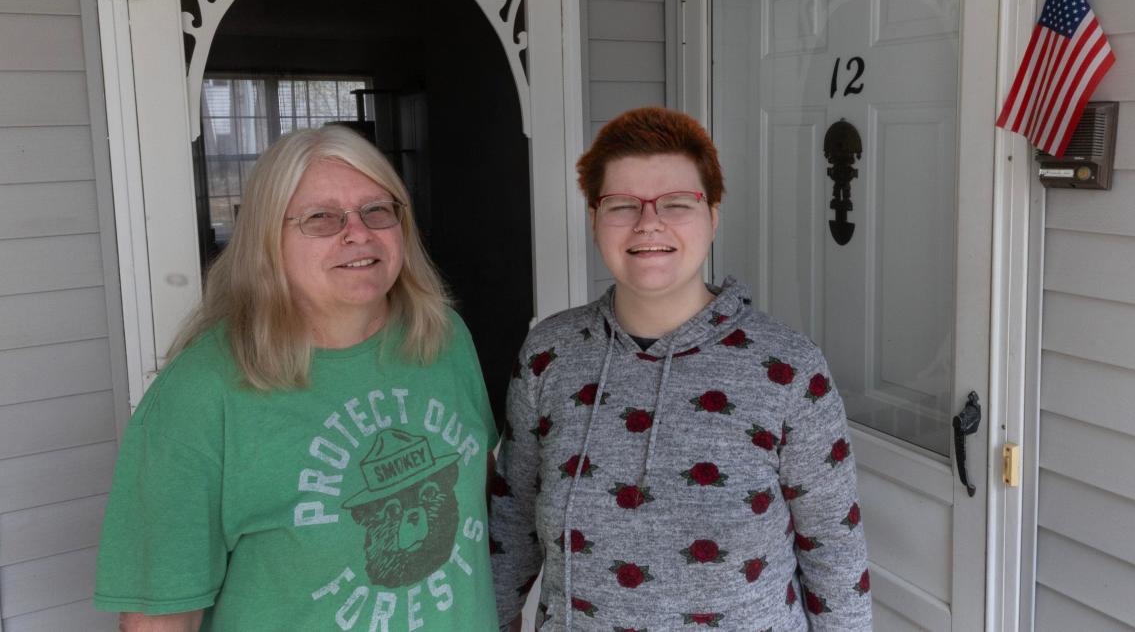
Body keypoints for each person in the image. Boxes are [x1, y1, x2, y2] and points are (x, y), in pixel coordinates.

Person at [94, 126, 498, 631]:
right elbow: (160, 619)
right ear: (268, 238)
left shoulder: (441, 336)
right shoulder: (199, 396)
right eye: (321, 218)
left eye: (377, 210)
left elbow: (475, 489)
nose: (358, 233)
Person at [490, 107, 872, 630]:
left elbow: (835, 550)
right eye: (622, 204)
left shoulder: (788, 369)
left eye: (676, 202)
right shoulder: (549, 355)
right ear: (595, 219)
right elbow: (511, 525)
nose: (649, 222)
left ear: (713, 215)